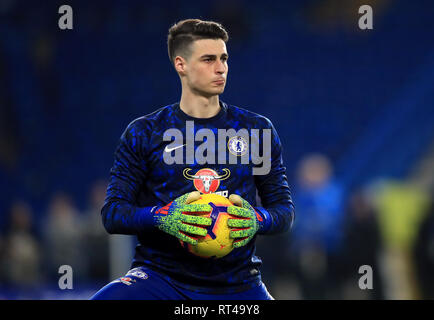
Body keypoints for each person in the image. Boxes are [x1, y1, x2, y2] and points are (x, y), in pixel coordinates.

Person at [91, 19, 295, 300]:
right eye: (208, 59)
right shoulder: (144, 132)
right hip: (161, 280)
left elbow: (284, 212)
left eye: (224, 58)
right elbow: (113, 214)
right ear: (181, 65)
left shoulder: (256, 130)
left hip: (238, 285)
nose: (221, 67)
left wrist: (256, 219)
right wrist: (163, 218)